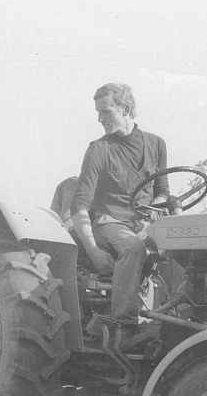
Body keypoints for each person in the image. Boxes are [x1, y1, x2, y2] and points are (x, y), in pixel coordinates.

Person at [70, 83, 171, 331]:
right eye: (98, 112)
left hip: (144, 223)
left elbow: (162, 193)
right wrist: (92, 249)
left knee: (182, 247)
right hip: (110, 224)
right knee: (133, 246)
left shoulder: (156, 144)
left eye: (105, 112)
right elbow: (79, 204)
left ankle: (177, 316)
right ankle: (124, 322)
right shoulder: (99, 150)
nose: (99, 119)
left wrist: (154, 209)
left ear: (125, 109)